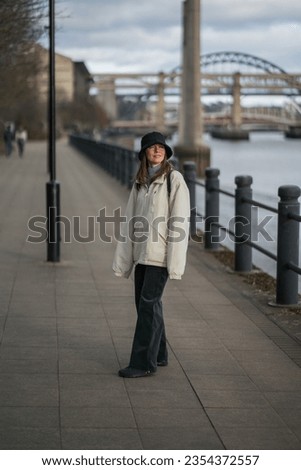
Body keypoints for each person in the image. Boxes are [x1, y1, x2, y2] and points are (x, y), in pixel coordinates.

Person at [112, 131, 190, 378]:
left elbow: (180, 223)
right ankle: (159, 354)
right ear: (144, 152)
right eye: (152, 147)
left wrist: (174, 264)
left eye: (161, 147)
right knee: (146, 305)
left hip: (159, 256)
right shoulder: (140, 182)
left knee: (148, 305)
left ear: (166, 153)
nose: (157, 150)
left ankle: (143, 363)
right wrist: (125, 260)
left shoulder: (174, 180)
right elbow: (130, 222)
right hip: (142, 255)